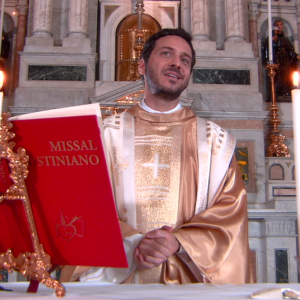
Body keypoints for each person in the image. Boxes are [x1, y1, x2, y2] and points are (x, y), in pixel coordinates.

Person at [62, 28, 253, 284]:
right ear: (141, 66)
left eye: (185, 60)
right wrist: (134, 243)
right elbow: (81, 206)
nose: (177, 63)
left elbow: (231, 211)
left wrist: (178, 241)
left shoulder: (215, 142)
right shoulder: (103, 136)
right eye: (166, 54)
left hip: (186, 285)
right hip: (116, 285)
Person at [271, 19, 300, 96]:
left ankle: (285, 90)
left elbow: (290, 49)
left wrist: (296, 55)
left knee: (286, 75)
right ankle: (277, 92)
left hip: (285, 60)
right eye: (277, 25)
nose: (279, 26)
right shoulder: (272, 38)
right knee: (278, 75)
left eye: (280, 24)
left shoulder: (285, 39)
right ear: (274, 26)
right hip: (277, 59)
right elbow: (269, 50)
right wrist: (273, 41)